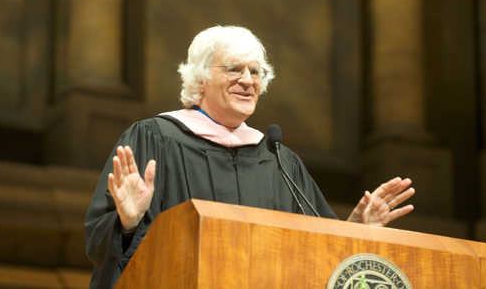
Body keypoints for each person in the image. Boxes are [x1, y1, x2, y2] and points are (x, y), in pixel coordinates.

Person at [84, 25, 415, 289]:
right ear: (199, 79)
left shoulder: (279, 161)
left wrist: (355, 231)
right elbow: (101, 244)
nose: (247, 80)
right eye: (234, 69)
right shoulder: (155, 139)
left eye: (256, 72)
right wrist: (126, 223)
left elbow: (318, 258)